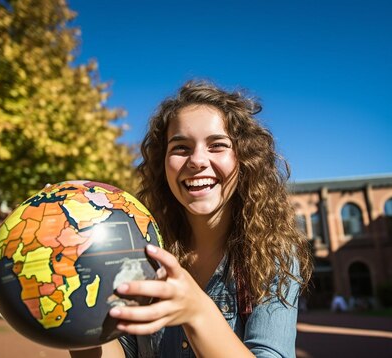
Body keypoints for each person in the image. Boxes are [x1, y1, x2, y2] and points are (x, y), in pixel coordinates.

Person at [70, 80, 312, 357]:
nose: (197, 160)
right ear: (163, 165)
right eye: (181, 148)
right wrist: (74, 314)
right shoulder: (139, 249)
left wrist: (197, 311)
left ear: (244, 159)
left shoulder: (272, 256)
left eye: (217, 145)